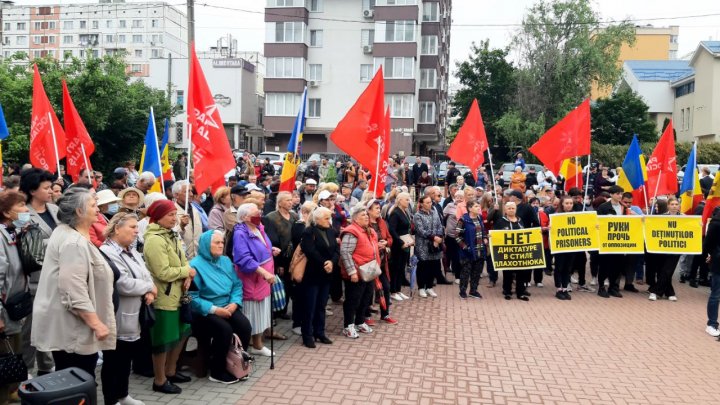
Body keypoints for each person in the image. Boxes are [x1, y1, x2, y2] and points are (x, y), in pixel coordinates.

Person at [31, 188, 116, 378]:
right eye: (93, 205)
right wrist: (97, 324)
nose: (98, 209)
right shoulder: (73, 242)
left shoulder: (69, 233)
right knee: (77, 380)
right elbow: (72, 289)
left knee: (73, 379)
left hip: (73, 326)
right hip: (73, 329)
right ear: (79, 211)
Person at [99, 213, 156, 405]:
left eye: (136, 227)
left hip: (135, 313)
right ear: (117, 228)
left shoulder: (131, 250)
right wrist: (148, 288)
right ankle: (110, 399)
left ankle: (123, 395)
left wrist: (150, 288)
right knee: (114, 360)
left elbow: (146, 273)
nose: (136, 230)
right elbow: (122, 283)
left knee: (126, 359)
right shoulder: (107, 251)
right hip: (117, 314)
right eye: (132, 227)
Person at [143, 199, 196, 394]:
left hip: (179, 294)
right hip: (164, 297)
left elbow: (183, 261)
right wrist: (186, 272)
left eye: (175, 214)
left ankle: (171, 370)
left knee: (181, 333)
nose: (175, 218)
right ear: (158, 217)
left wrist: (187, 273)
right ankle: (159, 380)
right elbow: (162, 272)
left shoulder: (171, 235)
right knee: (163, 340)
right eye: (170, 215)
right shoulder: (155, 239)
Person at [190, 230, 252, 384]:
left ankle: (236, 362)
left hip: (227, 305)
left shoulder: (225, 261)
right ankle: (217, 371)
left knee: (244, 326)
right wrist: (215, 310)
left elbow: (237, 285)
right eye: (216, 243)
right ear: (205, 245)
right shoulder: (194, 265)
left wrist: (234, 303)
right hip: (204, 311)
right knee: (224, 330)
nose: (221, 245)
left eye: (222, 242)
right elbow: (192, 298)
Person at [19, 168, 58, 376]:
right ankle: (25, 369)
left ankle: (47, 366)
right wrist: (55, 244)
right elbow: (24, 244)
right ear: (33, 190)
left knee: (50, 326)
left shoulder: (54, 209)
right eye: (46, 187)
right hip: (34, 279)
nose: (51, 191)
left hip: (56, 277)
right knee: (31, 329)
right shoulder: (22, 213)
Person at [233, 203, 279, 357]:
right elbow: (243, 258)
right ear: (245, 217)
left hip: (264, 279)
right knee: (251, 312)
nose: (259, 214)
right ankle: (247, 346)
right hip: (253, 278)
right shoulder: (240, 233)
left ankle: (258, 344)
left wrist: (270, 250)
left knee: (261, 311)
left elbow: (261, 246)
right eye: (255, 213)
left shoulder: (259, 227)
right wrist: (263, 273)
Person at [0, 191, 30, 404]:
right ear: (6, 212)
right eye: (21, 206)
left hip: (14, 308)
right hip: (3, 310)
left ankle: (12, 391)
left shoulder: (13, 232)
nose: (26, 210)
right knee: (4, 358)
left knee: (14, 353)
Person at [297, 207, 338, 347]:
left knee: (321, 305)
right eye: (326, 218)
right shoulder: (309, 232)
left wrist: (332, 262)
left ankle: (319, 332)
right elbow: (309, 250)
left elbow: (336, 250)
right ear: (317, 219)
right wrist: (324, 263)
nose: (329, 220)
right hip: (312, 274)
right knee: (310, 306)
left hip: (326, 274)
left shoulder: (331, 230)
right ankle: (307, 335)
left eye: (329, 217)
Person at [339, 206, 380, 339]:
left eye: (367, 215)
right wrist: (352, 272)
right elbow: (345, 253)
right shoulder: (351, 231)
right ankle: (348, 325)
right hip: (357, 271)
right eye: (363, 215)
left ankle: (360, 322)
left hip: (369, 271)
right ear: (355, 218)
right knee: (353, 299)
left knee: (366, 298)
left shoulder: (369, 230)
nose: (367, 217)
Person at [595, 186, 631, 298]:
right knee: (605, 265)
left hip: (619, 242)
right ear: (611, 194)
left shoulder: (624, 208)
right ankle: (601, 287)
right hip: (606, 242)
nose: (620, 196)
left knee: (617, 266)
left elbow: (630, 220)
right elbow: (597, 221)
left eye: (621, 193)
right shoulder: (603, 207)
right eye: (617, 193)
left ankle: (613, 287)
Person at [366, 199, 397, 324]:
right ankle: (366, 316)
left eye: (379, 208)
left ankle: (385, 314)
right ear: (369, 210)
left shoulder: (382, 222)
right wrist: (375, 244)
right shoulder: (365, 223)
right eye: (376, 208)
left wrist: (386, 243)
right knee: (368, 290)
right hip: (370, 262)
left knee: (386, 287)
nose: (379, 210)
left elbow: (389, 238)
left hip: (383, 262)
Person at [495, 201, 530, 301]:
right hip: (507, 252)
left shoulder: (520, 220)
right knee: (508, 273)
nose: (511, 210)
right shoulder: (501, 221)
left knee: (521, 273)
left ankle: (520, 292)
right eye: (509, 208)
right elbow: (496, 234)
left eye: (513, 208)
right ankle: (507, 291)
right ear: (505, 210)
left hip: (520, 252)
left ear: (516, 209)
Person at [648, 198, 681, 302]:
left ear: (679, 206)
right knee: (662, 270)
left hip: (676, 249)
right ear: (668, 206)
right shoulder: (661, 217)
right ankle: (669, 292)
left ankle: (655, 292)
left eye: (676, 204)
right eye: (672, 204)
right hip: (662, 248)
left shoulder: (684, 218)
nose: (674, 206)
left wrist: (698, 226)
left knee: (668, 271)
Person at [455, 200, 486, 299]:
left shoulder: (479, 218)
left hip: (480, 250)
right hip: (467, 251)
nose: (479, 208)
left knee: (477, 272)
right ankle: (462, 291)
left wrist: (485, 238)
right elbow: (457, 236)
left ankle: (473, 291)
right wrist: (465, 247)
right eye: (476, 206)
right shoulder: (463, 220)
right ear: (470, 208)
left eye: (479, 206)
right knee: (466, 272)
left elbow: (483, 231)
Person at [413, 195, 443, 298]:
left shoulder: (434, 213)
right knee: (423, 267)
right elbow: (421, 230)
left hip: (435, 245)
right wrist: (433, 237)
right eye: (427, 202)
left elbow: (439, 225)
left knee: (433, 266)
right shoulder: (417, 215)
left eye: (430, 202)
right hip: (423, 245)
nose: (429, 204)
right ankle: (421, 287)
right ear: (421, 204)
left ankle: (429, 287)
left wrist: (438, 237)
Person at [387, 192, 413, 300]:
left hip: (406, 242)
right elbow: (392, 230)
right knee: (395, 268)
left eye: (409, 199)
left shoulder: (405, 211)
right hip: (398, 244)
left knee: (402, 267)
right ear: (400, 200)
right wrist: (401, 242)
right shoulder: (395, 213)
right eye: (406, 199)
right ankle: (393, 291)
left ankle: (398, 290)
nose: (408, 201)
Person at [552, 196, 576, 300]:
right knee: (559, 268)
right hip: (560, 247)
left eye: (571, 203)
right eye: (567, 203)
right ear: (562, 204)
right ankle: (559, 289)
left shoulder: (577, 216)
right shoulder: (556, 215)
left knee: (568, 268)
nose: (569, 205)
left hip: (571, 246)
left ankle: (565, 288)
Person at [173, 180, 203, 260]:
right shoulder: (171, 213)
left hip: (197, 259)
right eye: (186, 192)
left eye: (191, 191)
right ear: (176, 195)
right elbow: (171, 236)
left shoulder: (196, 210)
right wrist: (181, 226)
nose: (191, 194)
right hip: (182, 260)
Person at [704, 206, 720, 337]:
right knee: (716, 294)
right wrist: (713, 255)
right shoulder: (716, 223)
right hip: (719, 262)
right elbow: (708, 243)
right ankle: (712, 324)